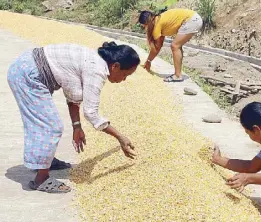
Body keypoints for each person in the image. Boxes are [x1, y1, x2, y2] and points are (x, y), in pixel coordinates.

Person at [7, 41, 140, 193]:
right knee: (50, 126)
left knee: (43, 122)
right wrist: (120, 137)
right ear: (115, 66)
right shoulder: (97, 70)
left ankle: (44, 161)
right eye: (125, 74)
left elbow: (73, 98)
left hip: (26, 67)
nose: (123, 79)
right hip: (27, 75)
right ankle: (41, 179)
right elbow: (91, 113)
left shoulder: (95, 60)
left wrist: (77, 126)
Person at [138, 8, 203, 82]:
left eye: (144, 26)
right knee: (177, 46)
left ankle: (177, 76)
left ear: (147, 23)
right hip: (193, 18)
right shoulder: (158, 20)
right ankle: (178, 74)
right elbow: (159, 45)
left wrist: (148, 62)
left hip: (191, 20)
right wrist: (149, 61)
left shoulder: (156, 25)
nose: (145, 28)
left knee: (175, 46)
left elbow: (157, 47)